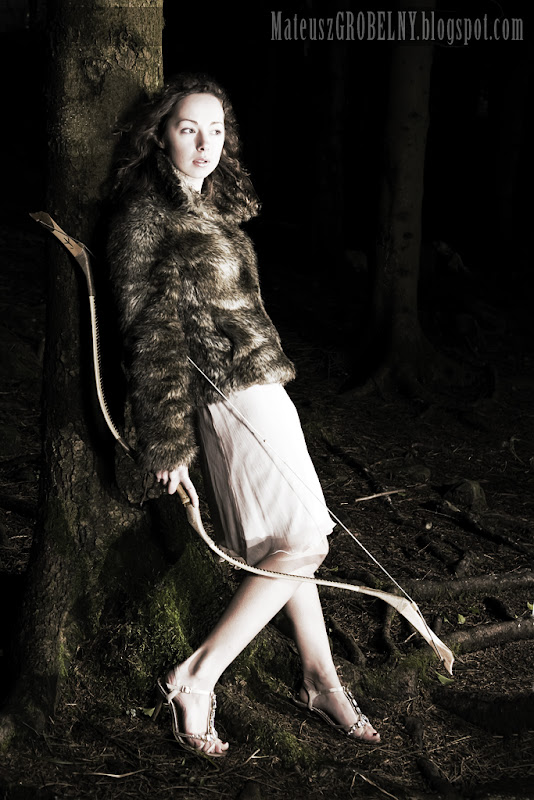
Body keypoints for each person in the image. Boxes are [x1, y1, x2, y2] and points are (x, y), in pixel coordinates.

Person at [107, 73, 380, 757]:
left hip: (264, 390)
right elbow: (150, 334)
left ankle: (320, 680)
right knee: (304, 544)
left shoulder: (210, 208)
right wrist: (168, 442)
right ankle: (196, 677)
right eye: (188, 129)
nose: (204, 143)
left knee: (292, 541)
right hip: (229, 399)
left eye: (216, 129)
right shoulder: (147, 218)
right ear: (160, 136)